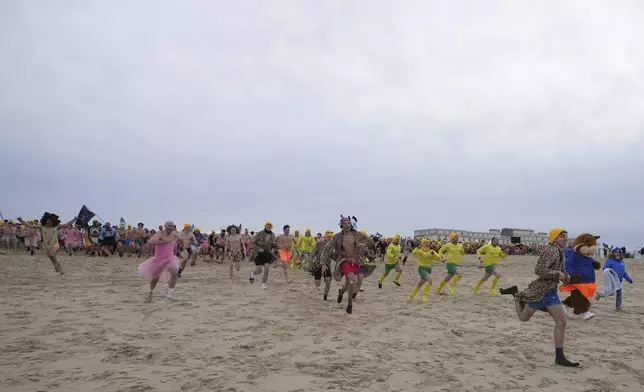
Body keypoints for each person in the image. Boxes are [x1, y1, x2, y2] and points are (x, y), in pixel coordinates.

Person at [499, 228, 579, 367]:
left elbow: (560, 270)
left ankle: (559, 357)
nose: (565, 239)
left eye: (566, 236)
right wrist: (558, 275)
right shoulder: (551, 250)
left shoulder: (560, 251)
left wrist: (567, 277)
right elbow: (539, 270)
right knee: (524, 318)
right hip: (541, 291)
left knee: (561, 322)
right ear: (554, 238)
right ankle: (517, 296)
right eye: (562, 237)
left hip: (551, 292)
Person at [320, 216, 372, 314]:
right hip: (344, 261)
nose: (347, 225)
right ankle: (349, 303)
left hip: (356, 261)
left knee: (348, 284)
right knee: (353, 281)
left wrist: (362, 244)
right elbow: (327, 248)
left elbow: (370, 242)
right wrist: (323, 263)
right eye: (345, 224)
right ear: (341, 226)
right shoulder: (337, 237)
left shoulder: (357, 234)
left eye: (348, 223)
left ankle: (341, 292)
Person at [138, 221, 182, 302]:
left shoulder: (174, 235)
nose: (171, 227)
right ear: (165, 226)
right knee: (155, 279)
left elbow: (182, 241)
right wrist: (164, 241)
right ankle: (150, 292)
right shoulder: (159, 233)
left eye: (172, 226)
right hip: (158, 260)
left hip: (170, 258)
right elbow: (151, 241)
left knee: (175, 270)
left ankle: (170, 293)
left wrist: (184, 249)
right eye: (169, 226)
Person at [409, 238, 441, 303]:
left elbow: (438, 258)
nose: (426, 244)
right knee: (430, 280)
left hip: (429, 269)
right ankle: (425, 296)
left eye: (427, 242)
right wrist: (417, 247)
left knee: (420, 283)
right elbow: (414, 253)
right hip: (421, 268)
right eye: (424, 242)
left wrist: (435, 253)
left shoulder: (431, 251)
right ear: (422, 244)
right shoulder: (420, 251)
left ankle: (412, 295)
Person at [249, 222, 277, 289]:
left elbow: (272, 244)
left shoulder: (273, 235)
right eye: (268, 225)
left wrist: (279, 247)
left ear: (272, 227)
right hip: (258, 253)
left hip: (267, 253)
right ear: (265, 226)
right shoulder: (260, 233)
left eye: (270, 225)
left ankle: (263, 284)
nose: (269, 226)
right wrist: (259, 248)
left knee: (267, 268)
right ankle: (252, 273)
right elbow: (253, 242)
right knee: (259, 271)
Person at [309, 229, 334, 300]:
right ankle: (319, 277)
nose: (330, 238)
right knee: (317, 284)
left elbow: (333, 255)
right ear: (325, 236)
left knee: (328, 281)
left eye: (331, 237)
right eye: (328, 236)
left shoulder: (332, 245)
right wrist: (310, 263)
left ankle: (325, 297)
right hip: (318, 265)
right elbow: (312, 254)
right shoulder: (319, 244)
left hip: (327, 265)